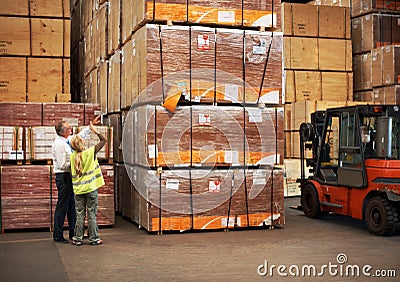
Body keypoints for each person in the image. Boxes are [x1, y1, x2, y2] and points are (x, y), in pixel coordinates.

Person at [52, 117, 100, 244]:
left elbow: (79, 136)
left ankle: (75, 233)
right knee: (62, 205)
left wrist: (90, 127)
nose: (71, 130)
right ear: (63, 132)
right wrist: (79, 163)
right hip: (64, 177)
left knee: (73, 205)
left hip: (71, 177)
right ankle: (58, 235)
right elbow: (63, 164)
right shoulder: (59, 144)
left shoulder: (67, 140)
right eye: (69, 128)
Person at [70, 118, 107, 246]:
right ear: (82, 144)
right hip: (91, 189)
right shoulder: (90, 152)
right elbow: (104, 141)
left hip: (78, 191)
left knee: (80, 214)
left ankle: (77, 238)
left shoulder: (72, 156)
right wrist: (95, 131)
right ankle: (94, 238)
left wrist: (86, 128)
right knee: (92, 214)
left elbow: (74, 141)